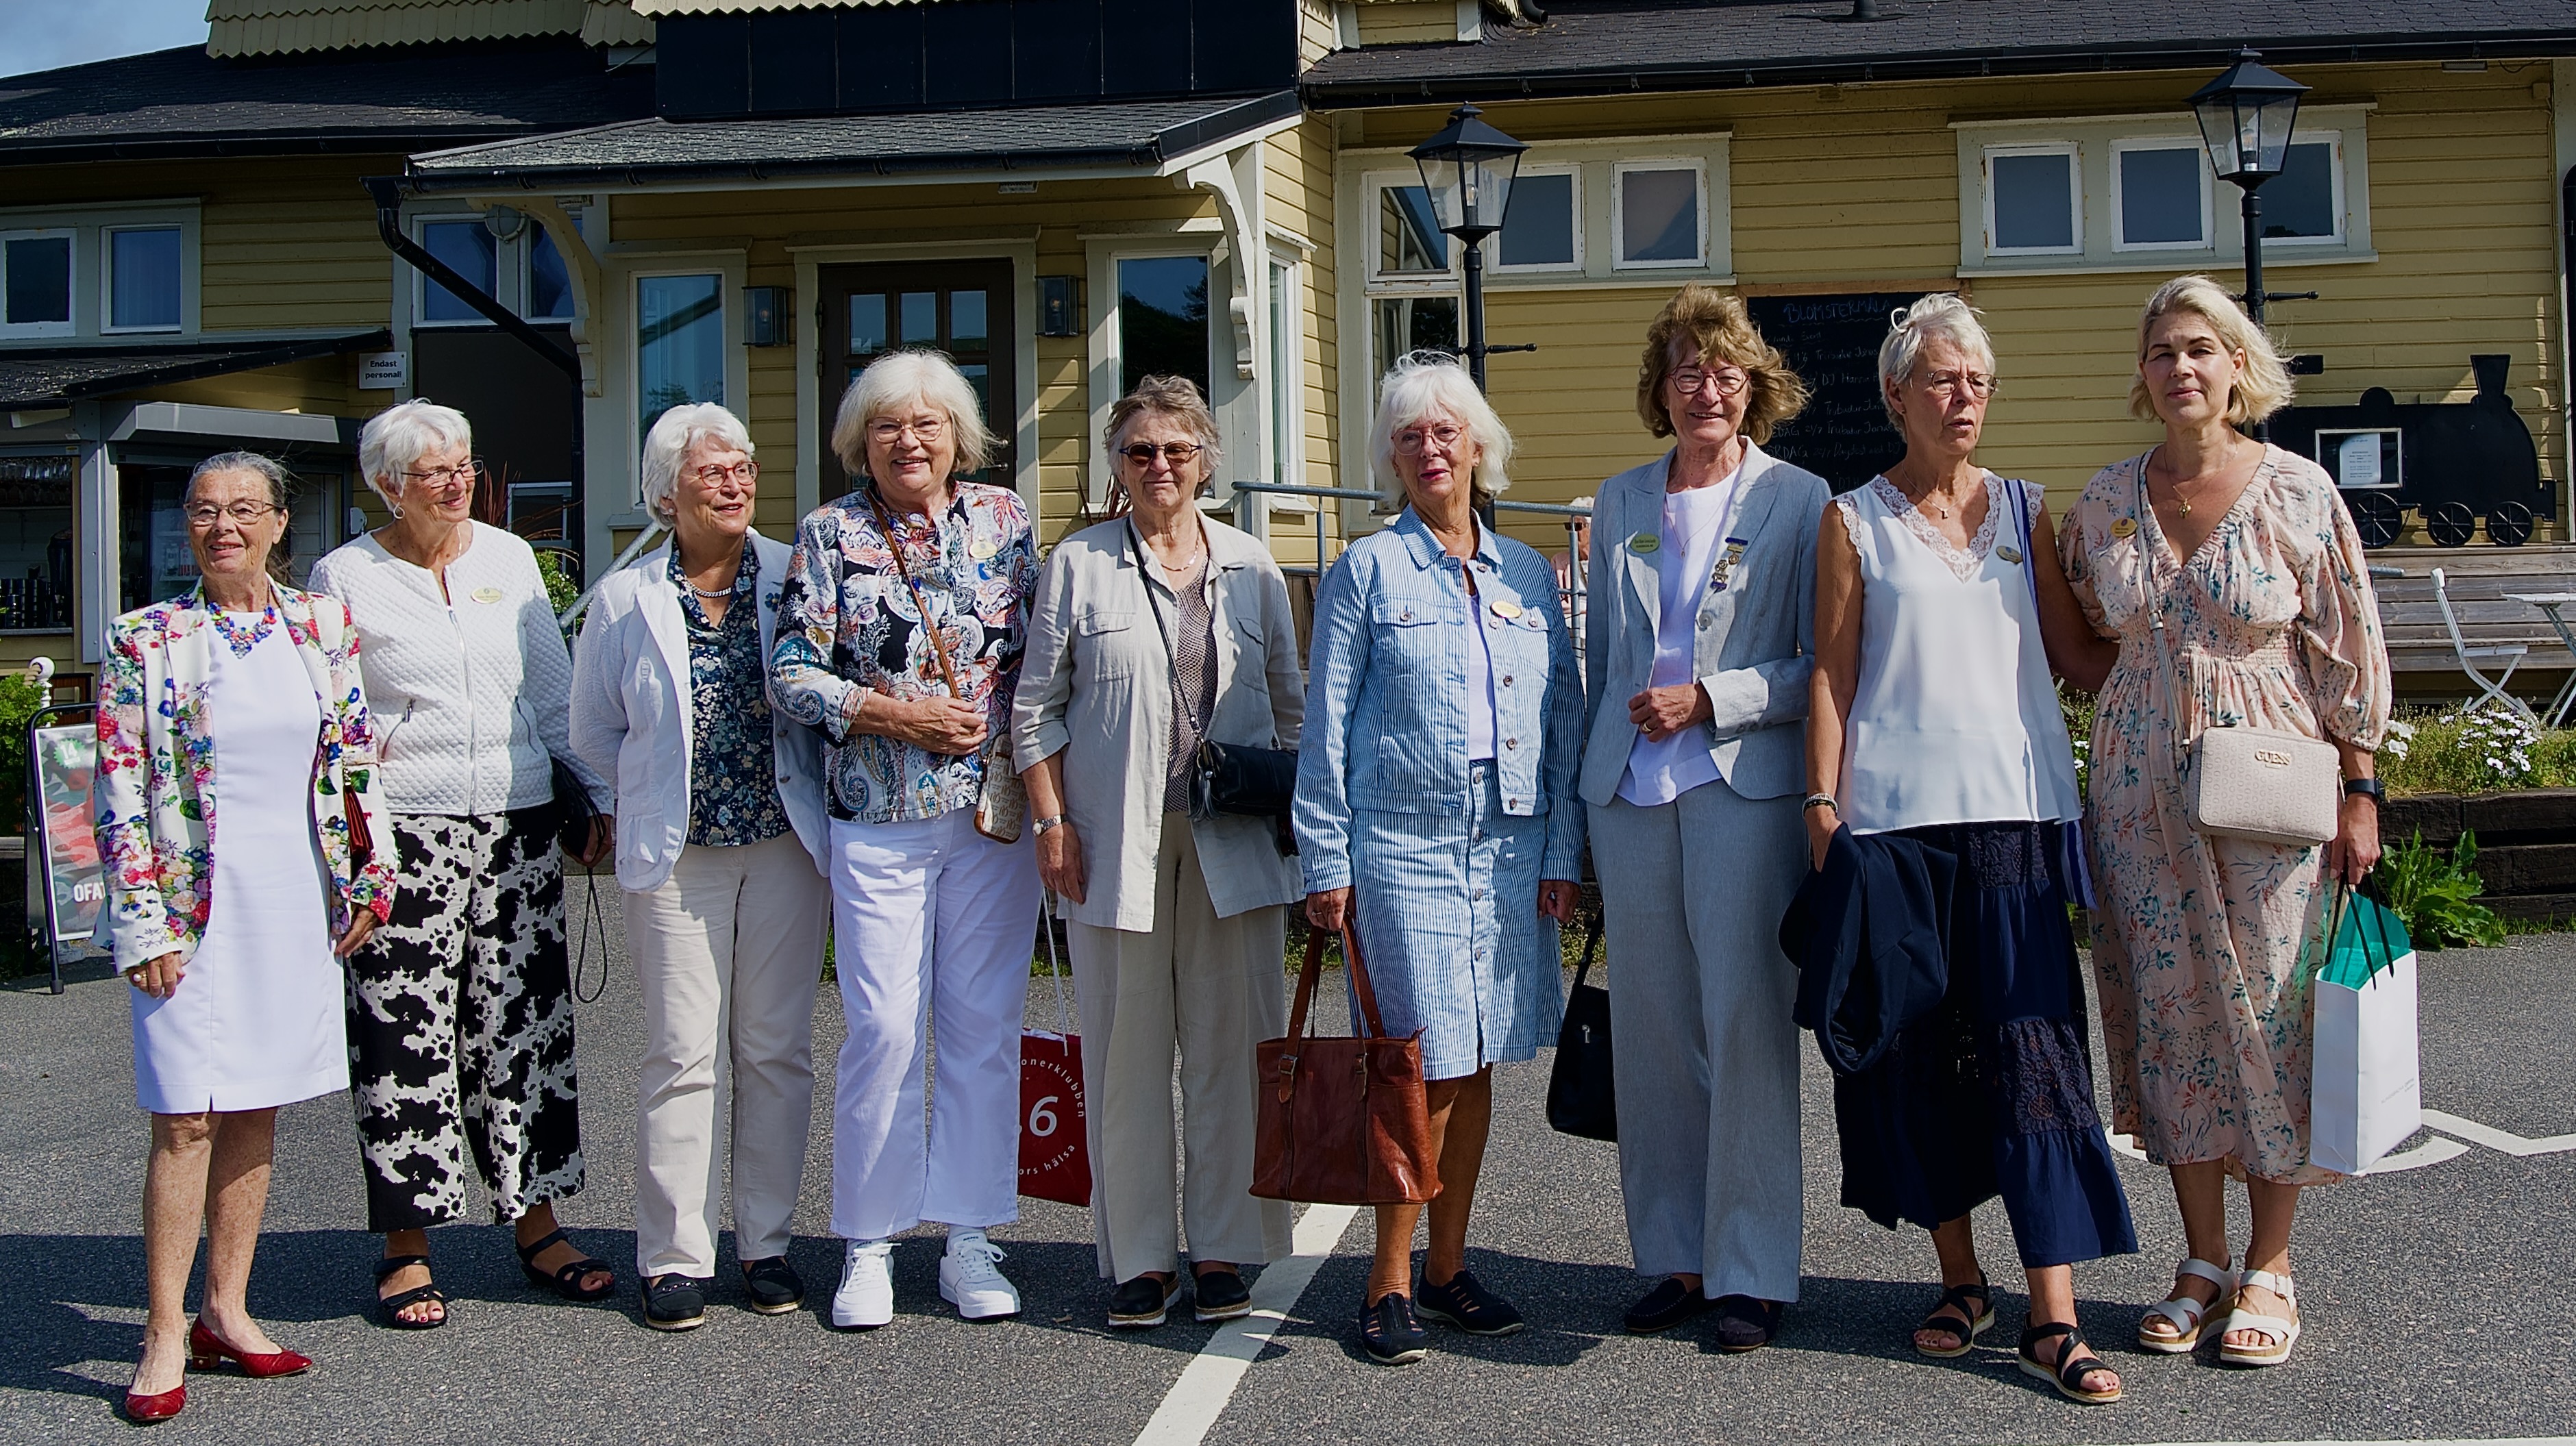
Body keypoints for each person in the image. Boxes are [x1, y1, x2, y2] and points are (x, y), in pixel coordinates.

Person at [1804, 295, 2137, 1404]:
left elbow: (2079, 658)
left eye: (1978, 381)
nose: (1964, 398)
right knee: (1922, 1055)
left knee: (2032, 1050)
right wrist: (1819, 808)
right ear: (1896, 393)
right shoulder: (1852, 519)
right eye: (1943, 380)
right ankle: (1960, 1281)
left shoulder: (2027, 510)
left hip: (2016, 821)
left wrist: (2173, 627)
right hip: (1894, 829)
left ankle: (2054, 1315)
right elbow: (1833, 675)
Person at [2059, 275, 2390, 1369]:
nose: (2182, 369)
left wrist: (2362, 788)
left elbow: (2346, 651)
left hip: (2272, 795)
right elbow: (2078, 644)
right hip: (2139, 803)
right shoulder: (2104, 502)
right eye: (2163, 353)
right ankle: (2200, 1257)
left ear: (2238, 367)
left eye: (2202, 349)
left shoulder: (2297, 494)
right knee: (2171, 1019)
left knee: (2269, 1019)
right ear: (2143, 376)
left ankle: (2272, 1264)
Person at [1293, 351, 1585, 1367]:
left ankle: (1449, 1266)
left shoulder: (1526, 576)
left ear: (1480, 449)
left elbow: (1564, 718)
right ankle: (1385, 1279)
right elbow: (1325, 724)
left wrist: (1562, 849)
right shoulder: (1367, 571)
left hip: (1507, 850)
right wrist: (1322, 860)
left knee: (1479, 1054)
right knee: (1413, 1065)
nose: (1430, 449)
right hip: (1400, 847)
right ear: (1392, 456)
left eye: (1446, 432)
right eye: (1410, 436)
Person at [97, 451, 393, 1422]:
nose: (222, 526)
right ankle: (163, 1330)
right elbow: (119, 795)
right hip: (188, 907)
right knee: (185, 1114)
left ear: (277, 525)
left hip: (292, 896)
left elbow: (352, 760)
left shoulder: (321, 624)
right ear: (185, 527)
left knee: (257, 1103)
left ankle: (227, 1308)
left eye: (242, 511)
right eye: (203, 511)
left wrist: (368, 876)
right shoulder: (147, 638)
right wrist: (142, 917)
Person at [310, 399, 615, 1330]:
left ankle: (538, 1220)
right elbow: (337, 725)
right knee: (406, 1036)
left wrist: (588, 793)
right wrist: (354, 844)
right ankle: (408, 1245)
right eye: (433, 471)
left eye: (465, 466)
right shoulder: (345, 575)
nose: (457, 484)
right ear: (388, 485)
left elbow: (553, 691)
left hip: (518, 823)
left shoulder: (508, 558)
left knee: (522, 1028)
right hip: (407, 832)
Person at [1013, 376, 1302, 1330]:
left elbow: (1292, 713)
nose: (1160, 466)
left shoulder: (1254, 564)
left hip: (1236, 842)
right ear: (1116, 465)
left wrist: (1306, 838)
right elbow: (1033, 711)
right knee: (1127, 1059)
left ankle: (1225, 1250)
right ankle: (1138, 1258)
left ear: (1207, 459)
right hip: (1114, 842)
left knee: (1231, 1052)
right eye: (1140, 451)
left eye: (1177, 450)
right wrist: (1053, 823)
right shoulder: (1080, 564)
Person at [772, 349, 1043, 1330]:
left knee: (981, 1029)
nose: (908, 439)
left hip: (990, 820)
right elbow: (793, 673)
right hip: (879, 818)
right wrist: (895, 716)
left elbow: (1035, 659)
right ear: (861, 442)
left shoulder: (1007, 521)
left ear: (958, 436)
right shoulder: (830, 534)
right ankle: (870, 1241)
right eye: (888, 425)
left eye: (928, 423)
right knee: (883, 1030)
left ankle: (970, 1236)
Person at [1578, 286, 1826, 1351]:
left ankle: (1752, 1269)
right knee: (1653, 1037)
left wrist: (1713, 699)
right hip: (1630, 795)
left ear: (1754, 387)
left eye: (1724, 372)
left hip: (1741, 792)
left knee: (1745, 1029)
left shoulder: (1804, 500)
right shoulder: (1622, 500)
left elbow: (1823, 663)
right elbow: (1600, 670)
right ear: (1660, 389)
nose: (1705, 388)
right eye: (1685, 370)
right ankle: (1676, 1257)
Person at [570, 403, 831, 1332]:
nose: (735, 481)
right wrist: (630, 805)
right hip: (677, 857)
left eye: (744, 467)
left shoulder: (793, 575)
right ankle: (676, 1256)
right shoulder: (626, 598)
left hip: (784, 845)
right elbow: (593, 731)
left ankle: (766, 1245)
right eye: (713, 470)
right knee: (681, 1054)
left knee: (776, 1052)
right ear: (665, 491)